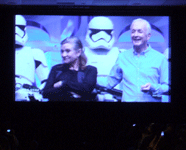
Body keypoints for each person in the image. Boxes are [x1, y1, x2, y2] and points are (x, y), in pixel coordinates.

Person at [107, 18, 169, 102]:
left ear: (148, 36)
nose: (135, 35)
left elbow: (167, 87)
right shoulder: (122, 57)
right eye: (133, 31)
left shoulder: (160, 58)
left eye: (140, 31)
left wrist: (153, 87)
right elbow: (110, 81)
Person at [42, 36, 97, 101]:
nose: (63, 55)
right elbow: (46, 93)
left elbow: (86, 89)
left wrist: (63, 83)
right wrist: (71, 93)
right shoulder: (56, 69)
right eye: (62, 51)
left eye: (67, 51)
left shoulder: (90, 70)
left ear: (78, 52)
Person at [15, 15, 49, 101]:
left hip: (26, 94)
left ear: (24, 30)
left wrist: (36, 92)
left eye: (19, 27)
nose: (16, 31)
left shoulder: (35, 53)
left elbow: (46, 82)